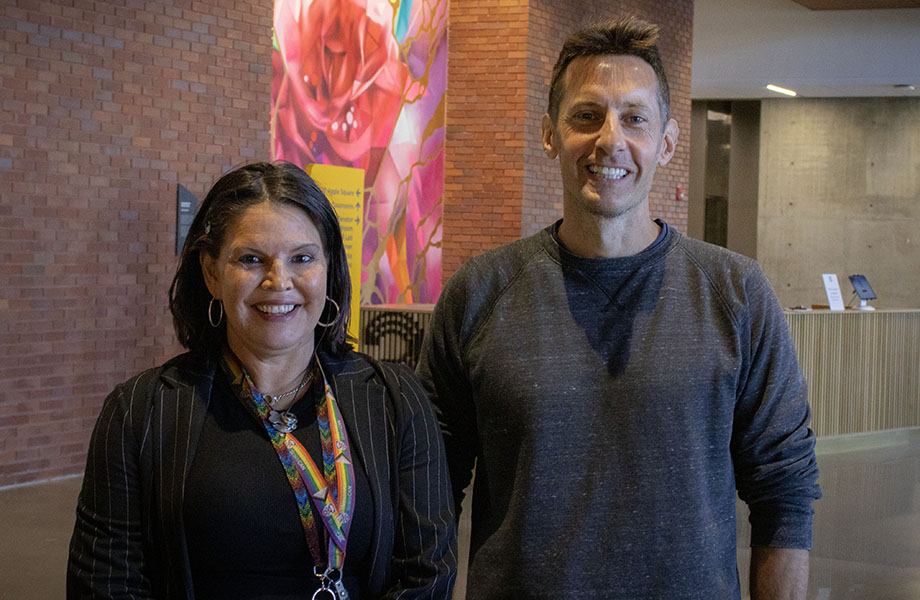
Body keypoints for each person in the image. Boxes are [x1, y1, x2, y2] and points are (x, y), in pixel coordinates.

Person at [416, 17, 820, 599]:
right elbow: (430, 491)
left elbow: (784, 487)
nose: (610, 139)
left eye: (635, 117)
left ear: (668, 141)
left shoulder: (736, 292)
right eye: (586, 116)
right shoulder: (479, 293)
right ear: (550, 134)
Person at [68, 161, 457, 599]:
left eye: (302, 258)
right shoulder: (139, 412)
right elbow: (106, 586)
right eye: (251, 259)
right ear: (212, 273)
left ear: (329, 269)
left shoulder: (395, 400)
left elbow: (427, 575)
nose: (279, 281)